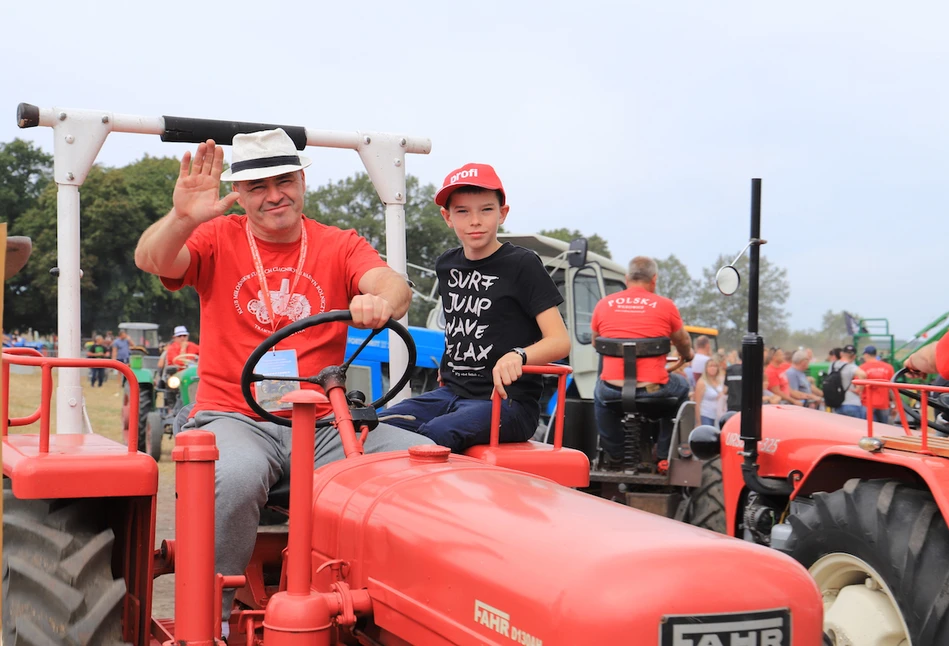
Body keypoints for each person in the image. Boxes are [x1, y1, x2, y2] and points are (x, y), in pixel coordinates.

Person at [133, 129, 432, 622]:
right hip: (236, 416)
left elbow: (390, 283)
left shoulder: (338, 244)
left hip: (319, 424)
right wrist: (182, 219)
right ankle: (210, 620)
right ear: (241, 195)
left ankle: (402, 613)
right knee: (234, 474)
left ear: (302, 181)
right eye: (258, 186)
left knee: (419, 466)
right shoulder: (216, 236)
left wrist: (379, 298)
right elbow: (152, 258)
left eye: (285, 180)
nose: (275, 195)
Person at [382, 164, 569, 452]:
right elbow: (461, 325)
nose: (475, 221)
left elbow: (560, 341)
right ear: (447, 217)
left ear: (502, 213)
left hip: (507, 402)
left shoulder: (523, 264)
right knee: (372, 423)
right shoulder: (447, 264)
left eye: (486, 210)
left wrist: (518, 355)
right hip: (452, 395)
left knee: (435, 434)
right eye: (462, 211)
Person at [590, 256, 693, 471]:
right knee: (682, 388)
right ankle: (664, 456)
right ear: (653, 279)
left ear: (627, 279)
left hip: (613, 390)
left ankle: (616, 454)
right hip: (652, 390)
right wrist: (687, 355)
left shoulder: (604, 304)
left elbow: (595, 341)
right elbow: (682, 341)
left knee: (599, 394)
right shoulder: (666, 306)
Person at [858, 345, 895, 423]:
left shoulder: (862, 368)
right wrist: (896, 405)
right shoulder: (888, 367)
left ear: (866, 355)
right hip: (884, 405)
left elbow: (859, 388)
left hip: (868, 404)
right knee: (883, 430)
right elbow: (892, 388)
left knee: (868, 430)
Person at [829, 344, 867, 418]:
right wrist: (859, 389)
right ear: (854, 356)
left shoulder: (832, 365)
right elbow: (863, 375)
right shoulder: (850, 367)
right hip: (852, 403)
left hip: (837, 404)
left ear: (841, 354)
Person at [693, 359, 725, 426]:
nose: (713, 368)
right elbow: (697, 403)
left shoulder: (720, 381)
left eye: (715, 366)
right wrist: (698, 422)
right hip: (705, 415)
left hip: (718, 416)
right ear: (706, 368)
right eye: (710, 366)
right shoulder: (702, 382)